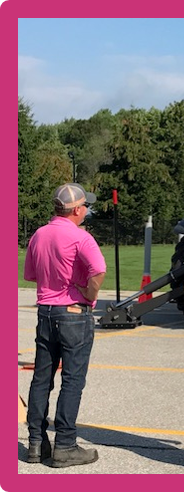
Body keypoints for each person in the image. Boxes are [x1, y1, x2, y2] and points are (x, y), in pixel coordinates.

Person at [23, 183, 106, 468]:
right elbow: (98, 270)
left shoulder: (39, 235)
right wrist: (88, 294)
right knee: (72, 379)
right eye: (85, 206)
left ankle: (36, 442)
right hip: (73, 312)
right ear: (77, 209)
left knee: (42, 378)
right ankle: (66, 444)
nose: (87, 210)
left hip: (46, 311)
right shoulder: (81, 237)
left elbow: (31, 274)